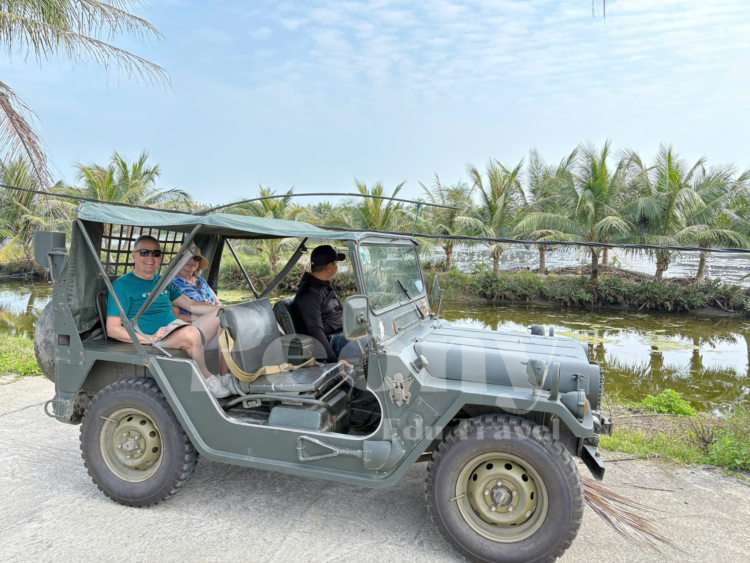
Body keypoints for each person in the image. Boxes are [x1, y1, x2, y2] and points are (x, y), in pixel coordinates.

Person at [106, 235, 232, 398]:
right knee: (190, 333)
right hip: (155, 337)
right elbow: (113, 329)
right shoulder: (122, 284)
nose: (150, 257)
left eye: (155, 253)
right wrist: (150, 338)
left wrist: (225, 308)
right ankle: (207, 378)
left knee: (223, 316)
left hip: (175, 329)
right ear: (134, 255)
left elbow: (191, 305)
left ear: (160, 257)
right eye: (144, 252)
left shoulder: (163, 282)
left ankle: (224, 375)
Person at [170, 247, 229, 381]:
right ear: (178, 260)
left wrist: (210, 307)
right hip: (193, 328)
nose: (192, 261)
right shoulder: (173, 284)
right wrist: (204, 316)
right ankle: (225, 376)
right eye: (188, 257)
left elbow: (218, 304)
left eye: (196, 258)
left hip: (213, 324)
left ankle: (234, 376)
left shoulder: (201, 281)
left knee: (231, 322)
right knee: (226, 324)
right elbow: (176, 317)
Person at [294, 245, 352, 368]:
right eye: (337, 263)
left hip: (343, 332)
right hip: (333, 340)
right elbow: (315, 330)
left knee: (376, 336)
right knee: (370, 344)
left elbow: (344, 312)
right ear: (329, 267)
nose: (338, 267)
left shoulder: (324, 286)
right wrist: (334, 362)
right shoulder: (309, 294)